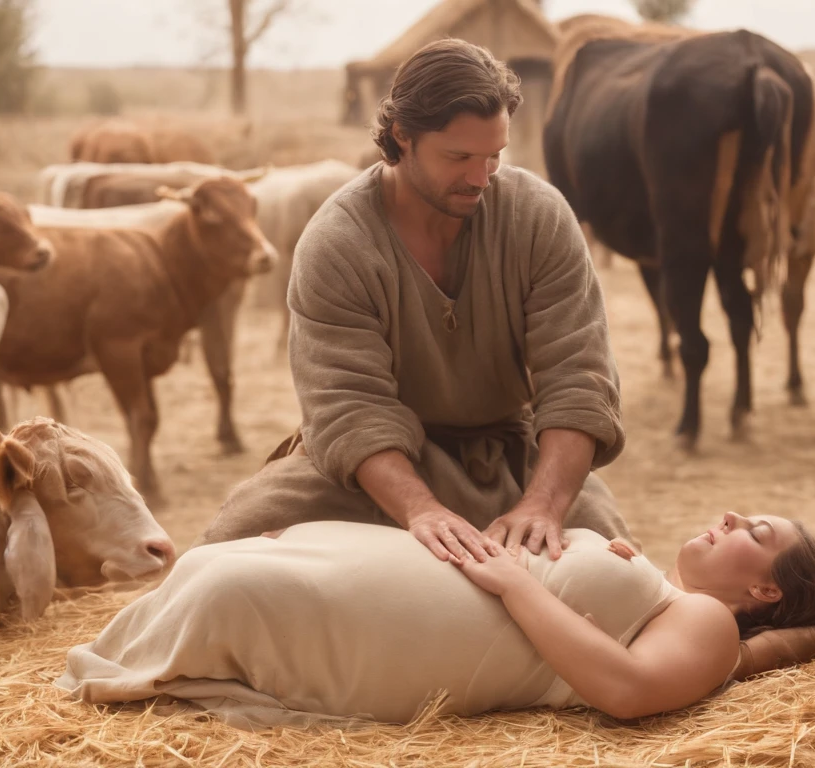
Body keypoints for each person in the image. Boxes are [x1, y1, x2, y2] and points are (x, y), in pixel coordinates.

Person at [196, 38, 633, 561]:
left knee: (612, 563)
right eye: (459, 157)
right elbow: (349, 408)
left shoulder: (539, 216)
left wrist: (543, 505)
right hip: (373, 464)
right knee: (224, 551)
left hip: (513, 458)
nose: (480, 178)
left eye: (493, 157)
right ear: (401, 136)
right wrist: (422, 511)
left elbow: (578, 378)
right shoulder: (337, 242)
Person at [56, 514, 815, 727]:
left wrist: (518, 586)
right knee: (218, 568)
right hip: (407, 581)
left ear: (765, 598)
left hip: (421, 632)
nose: (730, 516)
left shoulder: (708, 627)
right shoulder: (662, 592)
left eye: (756, 534)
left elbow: (628, 688)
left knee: (224, 589)